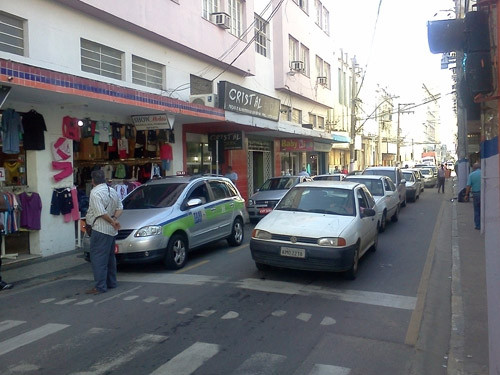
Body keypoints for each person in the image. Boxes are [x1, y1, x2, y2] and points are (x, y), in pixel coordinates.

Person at [85, 169, 123, 294]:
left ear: (93, 180)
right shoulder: (112, 191)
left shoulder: (95, 193)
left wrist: (112, 222)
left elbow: (100, 212)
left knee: (98, 258)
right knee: (110, 258)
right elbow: (120, 207)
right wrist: (115, 219)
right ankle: (111, 282)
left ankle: (100, 286)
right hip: (111, 231)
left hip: (100, 229)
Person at [464, 162, 481, 230]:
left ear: (474, 168)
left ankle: (478, 225)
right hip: (484, 194)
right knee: (484, 209)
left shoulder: (471, 175)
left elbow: (468, 186)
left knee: (477, 210)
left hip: (476, 194)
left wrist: (466, 195)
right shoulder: (484, 173)